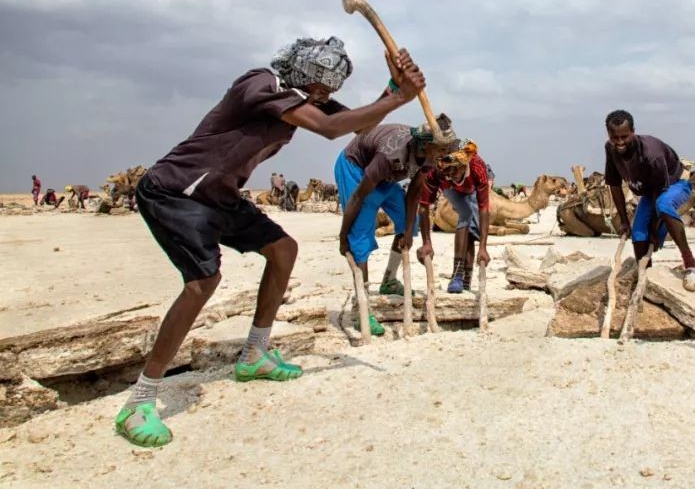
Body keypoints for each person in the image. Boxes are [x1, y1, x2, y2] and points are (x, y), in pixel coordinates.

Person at [114, 37, 426, 448]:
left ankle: (254, 355)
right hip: (177, 191)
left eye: (329, 92)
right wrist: (401, 97)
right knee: (202, 283)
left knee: (283, 249)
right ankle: (139, 401)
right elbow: (331, 129)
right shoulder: (261, 84)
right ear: (305, 76)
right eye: (322, 89)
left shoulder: (301, 97)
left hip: (220, 196)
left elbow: (358, 123)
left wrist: (393, 88)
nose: (325, 97)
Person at [336, 114, 457, 335]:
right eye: (440, 148)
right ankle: (361, 310)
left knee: (411, 222)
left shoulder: (429, 157)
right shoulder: (391, 154)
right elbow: (357, 197)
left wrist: (408, 230)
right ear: (426, 144)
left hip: (385, 178)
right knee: (360, 237)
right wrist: (344, 235)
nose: (444, 153)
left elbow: (414, 193)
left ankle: (389, 280)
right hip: (356, 169)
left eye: (446, 147)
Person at [602, 110, 695, 291]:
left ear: (633, 131)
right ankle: (645, 277)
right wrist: (624, 221)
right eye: (615, 137)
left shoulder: (650, 153)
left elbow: (660, 191)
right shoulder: (611, 149)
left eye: (624, 136)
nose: (620, 142)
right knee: (638, 234)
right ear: (609, 134)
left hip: (673, 185)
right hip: (649, 193)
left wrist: (655, 228)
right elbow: (615, 186)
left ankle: (690, 262)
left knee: (662, 206)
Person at [415, 140, 491, 294]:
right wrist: (426, 242)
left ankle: (466, 280)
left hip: (472, 189)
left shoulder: (478, 168)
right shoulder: (437, 173)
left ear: (464, 165)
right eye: (447, 172)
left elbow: (484, 208)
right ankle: (456, 275)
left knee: (473, 231)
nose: (450, 175)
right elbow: (423, 207)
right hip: (450, 190)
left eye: (454, 171)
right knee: (466, 214)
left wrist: (483, 247)